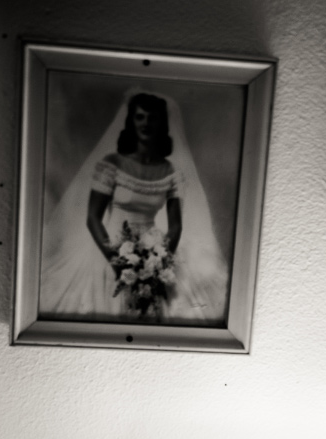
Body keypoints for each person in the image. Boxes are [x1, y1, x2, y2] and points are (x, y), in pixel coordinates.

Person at [40, 90, 228, 322]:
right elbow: (93, 219)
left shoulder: (172, 173)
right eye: (140, 117)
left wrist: (161, 261)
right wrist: (116, 261)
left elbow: (176, 226)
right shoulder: (112, 166)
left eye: (153, 118)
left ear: (162, 124)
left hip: (154, 250)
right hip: (109, 247)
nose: (146, 124)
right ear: (131, 121)